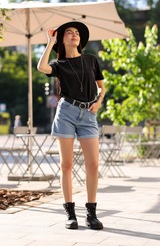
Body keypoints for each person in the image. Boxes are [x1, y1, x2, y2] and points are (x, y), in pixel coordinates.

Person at [37, 21, 106, 230]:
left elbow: (102, 87)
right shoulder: (60, 65)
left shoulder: (91, 60)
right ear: (63, 39)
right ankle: (70, 213)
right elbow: (41, 67)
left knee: (93, 165)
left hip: (88, 115)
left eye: (77, 33)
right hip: (66, 112)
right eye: (69, 32)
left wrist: (98, 103)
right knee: (66, 165)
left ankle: (91, 214)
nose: (74, 35)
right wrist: (50, 42)